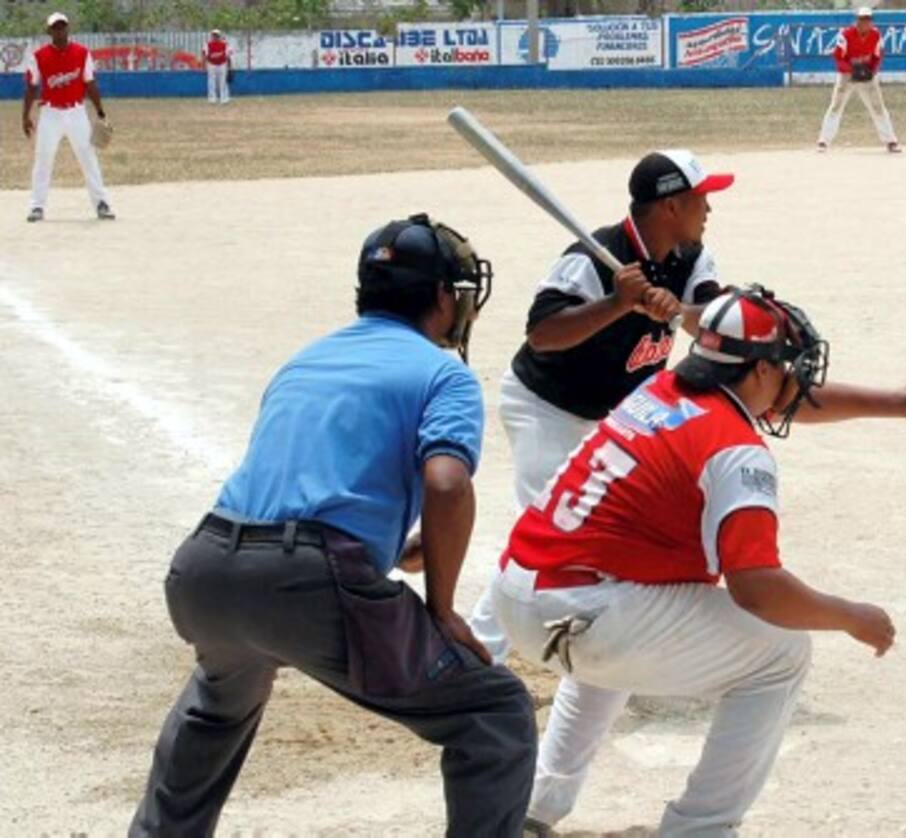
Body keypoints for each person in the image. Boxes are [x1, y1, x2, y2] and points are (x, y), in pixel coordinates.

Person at [129, 214, 536, 837]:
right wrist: (442, 609)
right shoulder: (442, 374)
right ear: (441, 298)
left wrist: (392, 546)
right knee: (495, 712)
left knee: (218, 703)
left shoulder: (305, 361)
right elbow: (447, 484)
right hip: (307, 582)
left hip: (204, 568)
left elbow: (297, 488)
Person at [492, 285, 906, 836]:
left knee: (627, 634)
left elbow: (777, 402)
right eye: (787, 367)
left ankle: (535, 805)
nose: (796, 382)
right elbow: (758, 589)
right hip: (585, 613)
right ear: (761, 370)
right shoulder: (736, 451)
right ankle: (701, 829)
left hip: (520, 597)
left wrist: (901, 404)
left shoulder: (659, 390)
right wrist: (851, 616)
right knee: (782, 653)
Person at [469, 149, 733, 659]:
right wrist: (617, 303)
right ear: (671, 206)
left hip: (613, 417)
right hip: (546, 407)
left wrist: (678, 309)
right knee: (549, 533)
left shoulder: (690, 256)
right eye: (701, 198)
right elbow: (543, 334)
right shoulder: (591, 257)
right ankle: (477, 657)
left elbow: (714, 322)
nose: (709, 208)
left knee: (615, 530)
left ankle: (608, 646)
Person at [22, 11, 115, 222]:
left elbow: (90, 83)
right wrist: (25, 116)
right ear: (49, 31)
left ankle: (101, 203)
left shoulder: (82, 53)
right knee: (43, 159)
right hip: (50, 114)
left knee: (88, 157)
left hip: (76, 113)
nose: (59, 30)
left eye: (62, 26)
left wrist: (100, 111)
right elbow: (32, 88)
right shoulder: (39, 56)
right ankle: (37, 206)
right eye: (55, 27)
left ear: (68, 28)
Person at [817, 7, 901, 153]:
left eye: (868, 19)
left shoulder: (875, 35)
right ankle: (824, 141)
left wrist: (872, 71)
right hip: (847, 76)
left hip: (867, 75)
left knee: (878, 107)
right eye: (862, 19)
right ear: (857, 20)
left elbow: (878, 56)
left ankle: (890, 141)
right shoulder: (846, 34)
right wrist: (851, 70)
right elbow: (838, 56)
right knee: (836, 107)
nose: (865, 22)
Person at [203, 29, 231, 105]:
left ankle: (224, 98)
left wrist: (229, 67)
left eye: (217, 35)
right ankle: (212, 98)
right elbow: (205, 55)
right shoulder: (208, 44)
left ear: (219, 36)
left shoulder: (224, 44)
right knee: (211, 82)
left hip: (222, 64)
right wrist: (204, 65)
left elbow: (228, 56)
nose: (215, 36)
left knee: (223, 81)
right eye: (214, 35)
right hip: (211, 64)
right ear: (212, 36)